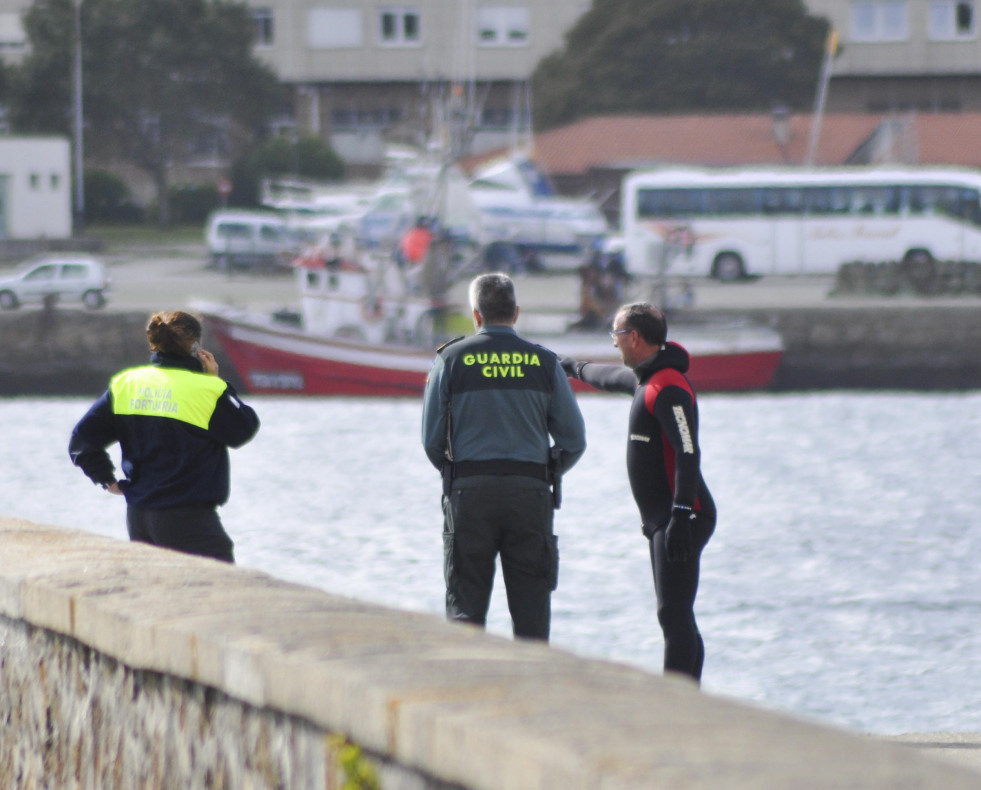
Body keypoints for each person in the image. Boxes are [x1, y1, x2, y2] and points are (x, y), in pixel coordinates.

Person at [422, 272, 586, 641]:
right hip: (529, 494)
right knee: (531, 621)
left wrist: (460, 475)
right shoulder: (544, 362)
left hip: (469, 494)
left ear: (476, 315)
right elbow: (574, 440)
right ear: (515, 313)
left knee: (465, 614)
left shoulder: (450, 359)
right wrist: (545, 470)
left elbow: (431, 441)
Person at [560, 302, 716, 682]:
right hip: (667, 516)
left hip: (682, 515)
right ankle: (687, 701)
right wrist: (570, 367)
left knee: (673, 613)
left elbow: (688, 451)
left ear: (633, 337)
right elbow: (609, 376)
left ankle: (675, 708)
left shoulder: (668, 388)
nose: (614, 344)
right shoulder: (646, 381)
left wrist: (680, 514)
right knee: (676, 613)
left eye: (615, 336)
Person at [68, 310, 260, 563]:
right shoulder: (207, 389)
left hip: (140, 517)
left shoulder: (126, 384)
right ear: (195, 346)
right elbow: (242, 430)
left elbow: (82, 440)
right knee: (218, 593)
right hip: (189, 519)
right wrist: (214, 382)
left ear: (155, 344)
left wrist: (106, 480)